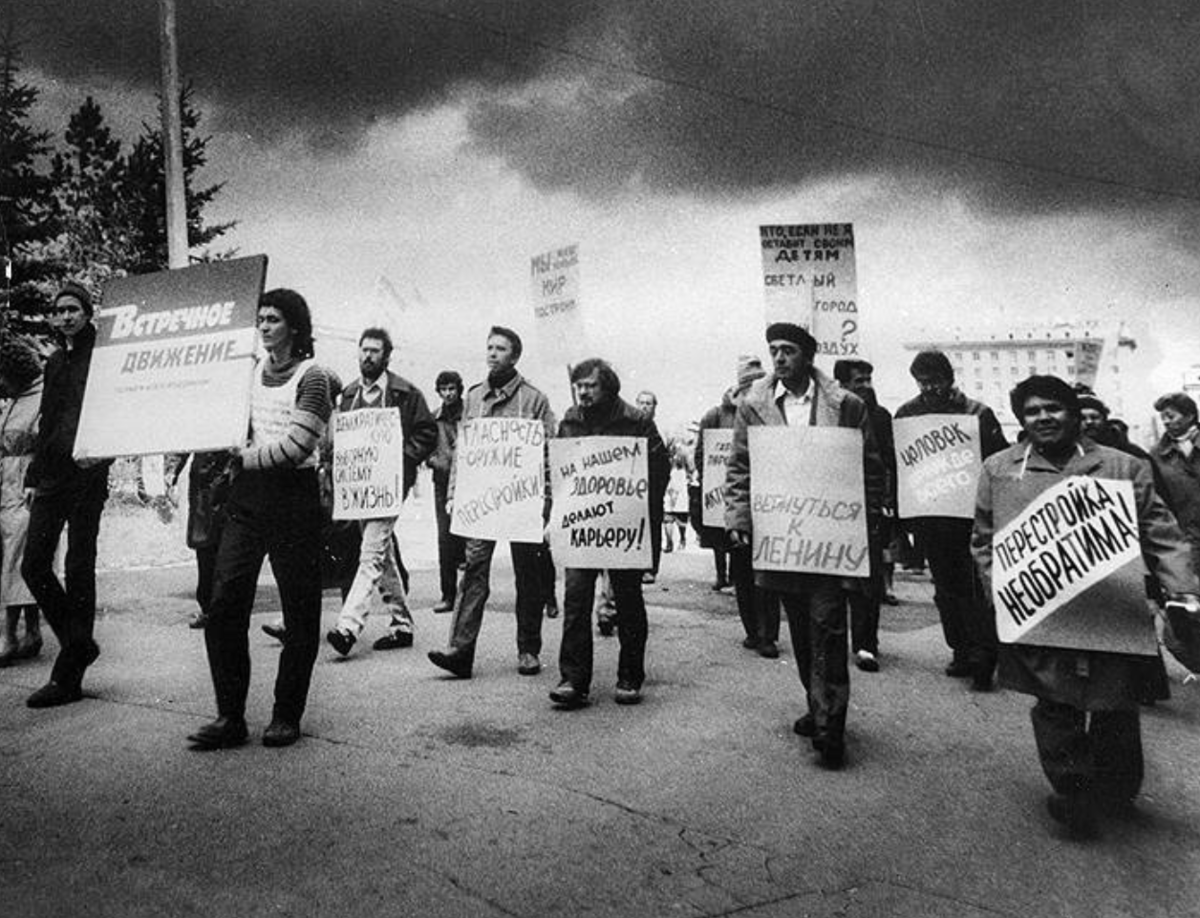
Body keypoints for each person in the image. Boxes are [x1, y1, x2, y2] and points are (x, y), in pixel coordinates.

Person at [972, 376, 1198, 837]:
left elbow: (1160, 531)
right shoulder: (1000, 469)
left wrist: (1184, 589)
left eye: (1052, 408)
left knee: (1115, 702)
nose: (1043, 418)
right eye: (1032, 411)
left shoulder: (1122, 466)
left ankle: (1116, 790)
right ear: (1021, 419)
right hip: (1041, 610)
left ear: (1073, 413)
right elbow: (984, 540)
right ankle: (1072, 791)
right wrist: (1004, 590)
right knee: (1054, 701)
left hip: (1111, 607)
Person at [726, 323, 884, 769]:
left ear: (808, 355)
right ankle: (818, 703)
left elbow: (870, 468)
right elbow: (740, 467)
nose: (779, 358)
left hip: (830, 537)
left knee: (829, 623)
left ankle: (830, 725)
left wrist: (865, 522)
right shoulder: (753, 404)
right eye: (773, 350)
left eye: (789, 350)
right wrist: (739, 518)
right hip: (781, 535)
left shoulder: (846, 404)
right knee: (798, 624)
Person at [188, 289, 334, 749]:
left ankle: (285, 715)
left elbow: (297, 447)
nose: (265, 326)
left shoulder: (314, 378)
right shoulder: (248, 373)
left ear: (295, 326)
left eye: (273, 319)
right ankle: (229, 716)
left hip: (294, 500)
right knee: (224, 602)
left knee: (300, 611)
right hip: (248, 500)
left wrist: (242, 459)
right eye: (261, 319)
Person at [428, 326, 554, 678]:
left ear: (515, 356)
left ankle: (528, 649)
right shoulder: (473, 398)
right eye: (489, 347)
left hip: (521, 503)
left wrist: (545, 503)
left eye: (501, 348)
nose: (493, 353)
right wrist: (454, 492)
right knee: (473, 569)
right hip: (482, 503)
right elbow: (462, 452)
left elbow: (548, 454)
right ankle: (460, 650)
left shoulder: (535, 400)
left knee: (527, 574)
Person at [549, 359, 670, 708]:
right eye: (579, 386)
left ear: (609, 387)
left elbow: (659, 469)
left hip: (622, 528)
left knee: (628, 600)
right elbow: (561, 476)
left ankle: (630, 676)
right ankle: (573, 679)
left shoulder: (636, 422)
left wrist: (634, 509)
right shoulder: (570, 421)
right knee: (575, 599)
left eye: (591, 385)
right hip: (583, 528)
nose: (583, 392)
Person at [21, 283, 114, 707]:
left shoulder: (106, 357)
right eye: (58, 312)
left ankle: (68, 677)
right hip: (54, 476)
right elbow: (50, 420)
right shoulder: (56, 362)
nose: (65, 317)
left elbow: (121, 410)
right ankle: (79, 642)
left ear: (88, 313)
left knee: (79, 566)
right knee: (33, 565)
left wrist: (104, 455)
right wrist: (35, 474)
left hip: (88, 474)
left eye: (73, 309)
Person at [894, 350, 1008, 689]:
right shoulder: (907, 415)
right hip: (932, 518)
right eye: (923, 382)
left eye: (936, 381)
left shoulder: (977, 413)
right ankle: (960, 649)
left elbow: (997, 461)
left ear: (950, 378)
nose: (930, 388)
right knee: (945, 588)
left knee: (975, 586)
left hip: (972, 519)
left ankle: (984, 654)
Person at [325, 328, 437, 657]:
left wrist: (400, 458)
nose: (367, 356)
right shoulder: (347, 395)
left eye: (375, 351)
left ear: (386, 357)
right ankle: (402, 624)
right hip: (360, 488)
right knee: (381, 553)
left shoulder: (405, 393)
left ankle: (348, 626)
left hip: (389, 487)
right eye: (363, 350)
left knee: (370, 554)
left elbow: (426, 431)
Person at [695, 355, 781, 657]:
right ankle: (752, 631)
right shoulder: (716, 416)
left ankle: (769, 633)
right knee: (742, 571)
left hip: (771, 504)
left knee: (768, 572)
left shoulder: (776, 410)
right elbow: (703, 458)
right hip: (737, 502)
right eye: (751, 384)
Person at [833, 358, 898, 673]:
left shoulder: (881, 416)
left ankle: (865, 644)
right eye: (859, 380)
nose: (867, 386)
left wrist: (885, 501)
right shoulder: (828, 414)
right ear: (842, 384)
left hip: (868, 507)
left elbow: (888, 461)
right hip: (831, 508)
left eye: (869, 379)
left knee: (867, 581)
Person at [0, 337, 44, 667]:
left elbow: (48, 442)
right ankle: (32, 632)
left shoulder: (42, 396)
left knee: (18, 557)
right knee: (14, 556)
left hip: (28, 485)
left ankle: (8, 635)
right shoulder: (12, 400)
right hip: (6, 484)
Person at [428, 369, 466, 613]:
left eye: (452, 388)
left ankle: (469, 595)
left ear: (459, 389)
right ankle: (448, 594)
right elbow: (425, 444)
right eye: (444, 389)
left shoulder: (469, 415)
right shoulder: (434, 418)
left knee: (470, 538)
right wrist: (435, 460)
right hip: (442, 481)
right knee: (445, 538)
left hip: (468, 479)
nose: (448, 393)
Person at [635, 390, 667, 584]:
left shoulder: (654, 433)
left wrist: (655, 489)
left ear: (655, 408)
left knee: (653, 528)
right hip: (633, 492)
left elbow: (663, 465)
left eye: (649, 403)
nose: (645, 406)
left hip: (651, 491)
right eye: (641, 403)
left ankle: (650, 568)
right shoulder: (629, 427)